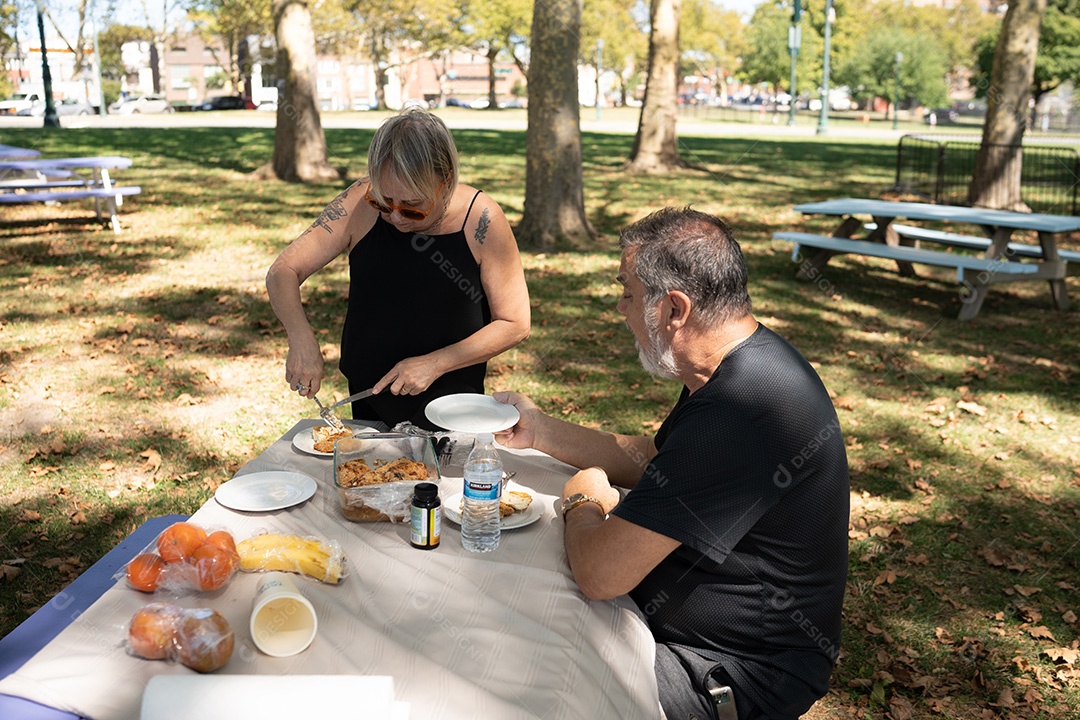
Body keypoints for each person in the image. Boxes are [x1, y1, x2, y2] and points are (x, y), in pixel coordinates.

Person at [494, 207, 849, 720]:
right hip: (692, 639)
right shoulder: (742, 363)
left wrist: (581, 503)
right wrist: (543, 429)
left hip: (727, 672)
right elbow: (657, 462)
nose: (621, 309)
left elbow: (600, 573)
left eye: (628, 294)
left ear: (674, 309)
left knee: (516, 674)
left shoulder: (740, 410)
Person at [266, 107, 530, 429]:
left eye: (413, 207)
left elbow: (515, 322)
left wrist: (435, 364)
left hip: (453, 408)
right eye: (384, 202)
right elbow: (283, 271)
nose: (396, 217)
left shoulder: (482, 220)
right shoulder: (358, 202)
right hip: (368, 399)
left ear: (445, 182)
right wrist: (301, 337)